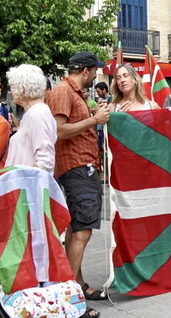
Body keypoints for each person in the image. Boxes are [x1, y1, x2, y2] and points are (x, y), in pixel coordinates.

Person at [47, 52, 111, 318]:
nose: (96, 75)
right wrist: (94, 120)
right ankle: (69, 301)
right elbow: (59, 130)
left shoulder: (73, 93)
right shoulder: (63, 91)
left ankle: (79, 285)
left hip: (80, 167)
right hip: (76, 167)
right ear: (85, 71)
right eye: (95, 71)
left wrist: (92, 113)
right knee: (83, 231)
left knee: (76, 230)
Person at [5, 64, 57, 174]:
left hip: (27, 187)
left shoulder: (38, 113)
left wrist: (24, 182)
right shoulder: (33, 112)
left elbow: (45, 161)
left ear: (23, 88)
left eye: (12, 87)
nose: (10, 92)